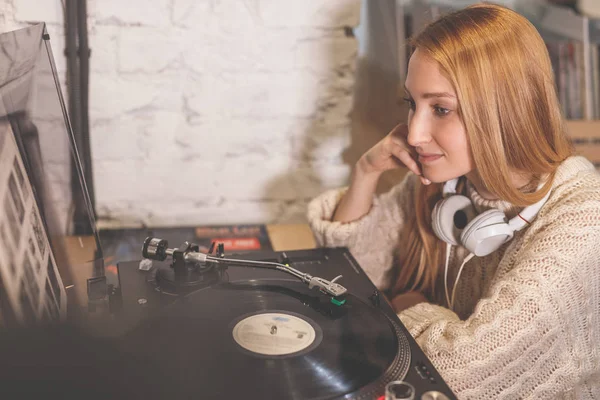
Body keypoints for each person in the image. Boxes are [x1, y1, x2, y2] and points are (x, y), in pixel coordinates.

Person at [307, 3, 600, 399]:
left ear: (503, 111)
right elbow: (348, 277)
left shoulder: (583, 219)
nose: (414, 134)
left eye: (440, 109)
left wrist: (408, 306)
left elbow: (460, 370)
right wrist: (365, 172)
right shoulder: (445, 181)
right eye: (412, 104)